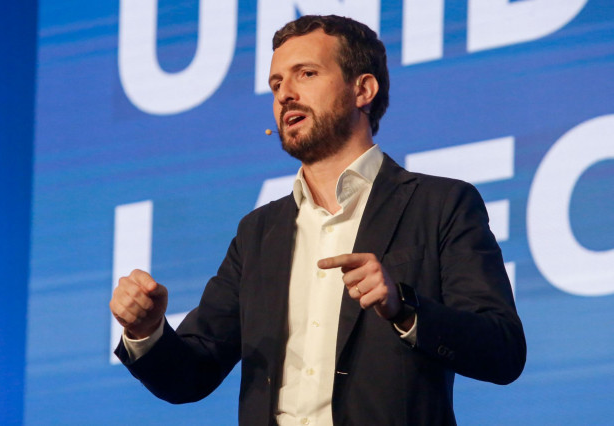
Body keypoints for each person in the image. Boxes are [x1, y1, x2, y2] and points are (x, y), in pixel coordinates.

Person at [110, 15, 526, 425]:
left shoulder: (440, 204)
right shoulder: (258, 233)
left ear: (362, 89)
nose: (285, 94)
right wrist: (148, 331)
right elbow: (191, 376)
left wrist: (404, 307)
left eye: (305, 74)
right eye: (276, 84)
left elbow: (502, 349)